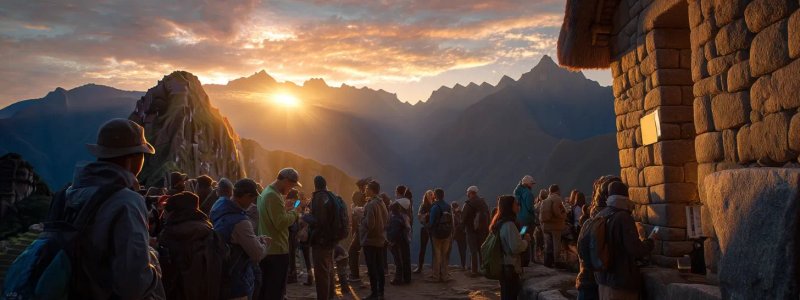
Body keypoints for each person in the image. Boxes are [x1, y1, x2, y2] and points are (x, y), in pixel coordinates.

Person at [61, 118, 163, 298]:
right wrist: (154, 261)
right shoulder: (127, 202)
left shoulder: (67, 194)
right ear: (134, 158)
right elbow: (135, 284)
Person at [210, 179, 271, 300]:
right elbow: (257, 254)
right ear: (246, 196)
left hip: (220, 275)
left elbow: (233, 239)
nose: (252, 203)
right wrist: (265, 243)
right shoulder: (241, 222)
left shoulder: (219, 206)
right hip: (236, 281)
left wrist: (255, 239)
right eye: (252, 199)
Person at [158, 192, 223, 300]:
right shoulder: (209, 233)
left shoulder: (169, 235)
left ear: (175, 212)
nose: (164, 215)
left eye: (167, 211)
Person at [595, 181, 654, 300]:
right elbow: (635, 249)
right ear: (625, 198)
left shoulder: (600, 215)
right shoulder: (623, 217)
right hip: (620, 283)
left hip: (602, 281)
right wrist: (650, 241)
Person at [256, 168, 303, 300]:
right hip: (277, 250)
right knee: (275, 291)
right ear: (286, 181)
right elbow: (281, 222)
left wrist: (285, 210)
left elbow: (272, 218)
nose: (291, 189)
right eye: (292, 185)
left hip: (268, 249)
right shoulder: (273, 196)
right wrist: (294, 212)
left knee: (265, 290)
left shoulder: (266, 192)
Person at [302, 175, 343, 300]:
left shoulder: (319, 197)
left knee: (321, 274)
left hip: (321, 241)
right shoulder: (332, 196)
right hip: (331, 239)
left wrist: (304, 216)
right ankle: (330, 296)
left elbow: (319, 221)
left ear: (315, 185)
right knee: (329, 270)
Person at [491, 195, 530, 300]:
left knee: (506, 294)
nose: (518, 206)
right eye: (516, 203)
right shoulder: (509, 225)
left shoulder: (500, 222)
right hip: (510, 267)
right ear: (509, 206)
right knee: (510, 295)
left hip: (503, 266)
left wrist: (520, 236)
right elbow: (516, 247)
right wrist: (526, 241)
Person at [359, 180, 389, 300]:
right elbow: (386, 218)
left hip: (370, 240)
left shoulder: (371, 204)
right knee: (380, 266)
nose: (365, 190)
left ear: (371, 190)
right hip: (380, 239)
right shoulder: (381, 202)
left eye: (367, 188)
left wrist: (361, 217)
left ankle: (374, 293)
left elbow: (370, 224)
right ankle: (381, 292)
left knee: (372, 267)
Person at [461, 185, 489, 276]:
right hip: (482, 230)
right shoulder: (483, 202)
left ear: (470, 193)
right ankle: (483, 268)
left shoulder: (468, 204)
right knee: (481, 249)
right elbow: (488, 215)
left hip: (471, 230)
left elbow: (463, 218)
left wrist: (461, 228)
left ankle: (474, 270)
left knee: (473, 250)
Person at [427, 188, 453, 282]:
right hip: (447, 234)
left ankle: (436, 276)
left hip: (437, 234)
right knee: (445, 254)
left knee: (437, 255)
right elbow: (451, 221)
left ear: (435, 196)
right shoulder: (448, 206)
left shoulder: (434, 207)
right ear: (443, 195)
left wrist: (428, 227)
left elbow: (432, 221)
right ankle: (445, 276)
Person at [348, 177, 371, 281]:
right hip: (371, 229)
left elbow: (356, 214)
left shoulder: (358, 196)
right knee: (369, 251)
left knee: (353, 251)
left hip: (361, 228)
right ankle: (372, 272)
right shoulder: (374, 199)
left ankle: (354, 275)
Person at [540, 184, 567, 268]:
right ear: (557, 190)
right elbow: (556, 211)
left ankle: (548, 262)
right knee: (556, 244)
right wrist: (563, 216)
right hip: (556, 225)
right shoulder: (557, 198)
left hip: (546, 225)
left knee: (548, 245)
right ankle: (557, 261)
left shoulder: (546, 199)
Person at [513, 175, 537, 267]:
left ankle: (522, 259)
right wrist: (535, 211)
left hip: (520, 221)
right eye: (532, 183)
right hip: (528, 221)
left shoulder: (518, 193)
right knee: (529, 238)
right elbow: (530, 208)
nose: (532, 185)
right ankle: (530, 259)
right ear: (528, 184)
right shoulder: (528, 194)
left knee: (522, 236)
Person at [386, 199, 411, 285]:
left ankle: (398, 279)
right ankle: (407, 278)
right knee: (404, 259)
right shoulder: (401, 217)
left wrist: (391, 241)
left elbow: (394, 233)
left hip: (397, 242)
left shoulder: (394, 219)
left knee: (398, 261)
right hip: (403, 241)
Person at [393, 186, 414, 283]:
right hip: (407, 231)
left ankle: (398, 278)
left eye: (396, 192)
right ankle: (407, 278)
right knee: (406, 255)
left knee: (398, 256)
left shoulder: (397, 203)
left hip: (398, 232)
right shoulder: (409, 202)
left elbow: (393, 218)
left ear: (398, 192)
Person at [413, 190, 435, 273]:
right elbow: (419, 217)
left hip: (433, 229)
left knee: (435, 249)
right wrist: (426, 216)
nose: (430, 195)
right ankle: (420, 267)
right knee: (423, 248)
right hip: (426, 228)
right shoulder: (423, 205)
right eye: (429, 194)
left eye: (431, 194)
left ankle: (435, 267)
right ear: (426, 196)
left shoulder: (435, 204)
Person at [451, 202, 467, 269]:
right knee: (463, 249)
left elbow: (457, 225)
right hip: (463, 234)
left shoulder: (455, 214)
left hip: (458, 234)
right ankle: (463, 265)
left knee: (461, 250)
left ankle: (463, 265)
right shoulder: (462, 213)